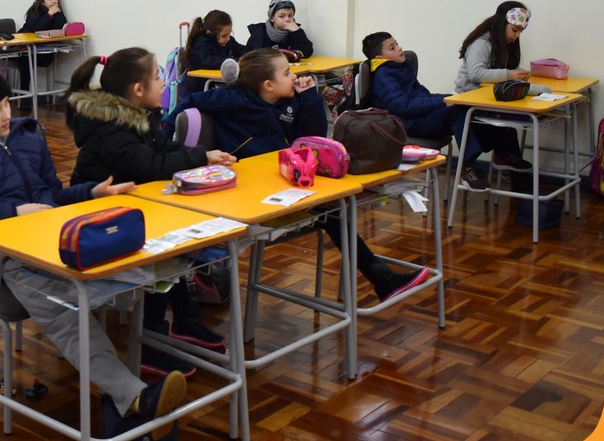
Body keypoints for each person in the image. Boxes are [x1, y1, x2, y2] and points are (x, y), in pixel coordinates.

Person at [0, 66, 186, 436]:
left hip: (57, 243)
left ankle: (148, 339)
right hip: (11, 259)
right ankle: (134, 396)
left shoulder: (28, 137)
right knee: (67, 314)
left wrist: (91, 193)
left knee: (136, 265)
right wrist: (15, 212)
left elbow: (51, 195)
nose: (6, 115)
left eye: (6, 104)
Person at [167, 49, 431, 304]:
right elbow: (188, 102)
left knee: (334, 208)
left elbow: (311, 138)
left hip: (283, 183)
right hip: (250, 194)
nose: (294, 76)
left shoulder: (289, 103)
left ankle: (381, 277)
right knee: (332, 212)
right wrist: (165, 138)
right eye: (286, 73)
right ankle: (380, 276)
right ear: (268, 85)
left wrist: (310, 99)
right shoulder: (231, 99)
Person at [66, 47, 238, 377]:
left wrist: (203, 155)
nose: (163, 83)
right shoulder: (111, 126)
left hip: (131, 208)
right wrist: (198, 158)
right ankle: (151, 344)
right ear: (137, 89)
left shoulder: (137, 116)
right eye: (158, 77)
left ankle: (185, 320)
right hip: (99, 218)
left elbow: (164, 148)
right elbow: (150, 166)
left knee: (181, 243)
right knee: (161, 255)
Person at [363, 32, 528, 192]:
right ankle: (470, 166)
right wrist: (444, 101)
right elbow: (404, 106)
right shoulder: (383, 75)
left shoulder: (400, 67)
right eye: (392, 47)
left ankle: (504, 153)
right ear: (379, 58)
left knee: (471, 109)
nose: (399, 48)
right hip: (405, 124)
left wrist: (453, 98)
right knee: (457, 111)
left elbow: (423, 96)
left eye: (397, 44)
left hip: (417, 118)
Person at [456, 1, 549, 96]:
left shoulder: (506, 43)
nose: (518, 35)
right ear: (501, 24)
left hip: (488, 96)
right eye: (515, 30)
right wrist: (509, 75)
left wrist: (521, 73)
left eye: (521, 31)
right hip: (465, 97)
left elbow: (508, 68)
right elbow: (475, 74)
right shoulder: (481, 43)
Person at [17, 0, 68, 104]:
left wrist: (57, 13)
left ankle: (25, 98)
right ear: (42, 0)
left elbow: (61, 26)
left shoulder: (57, 11)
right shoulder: (33, 12)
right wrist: (49, 14)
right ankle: (24, 98)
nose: (54, 1)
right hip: (24, 48)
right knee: (26, 59)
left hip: (44, 52)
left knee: (29, 58)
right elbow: (37, 29)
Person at [181, 9, 245, 94]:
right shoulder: (200, 43)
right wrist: (231, 61)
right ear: (211, 33)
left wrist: (247, 59)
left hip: (217, 84)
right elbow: (205, 61)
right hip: (200, 88)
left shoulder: (228, 41)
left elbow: (242, 50)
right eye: (224, 36)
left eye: (229, 34)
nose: (228, 38)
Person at [245, 0, 314, 58]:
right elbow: (248, 56)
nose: (287, 19)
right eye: (282, 16)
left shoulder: (296, 33)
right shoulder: (259, 32)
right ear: (272, 18)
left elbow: (307, 53)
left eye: (290, 15)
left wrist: (297, 31)